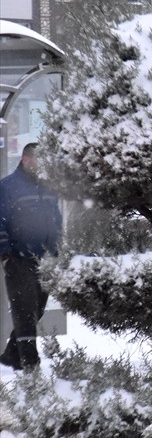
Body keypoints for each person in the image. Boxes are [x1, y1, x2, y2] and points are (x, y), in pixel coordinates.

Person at [0, 144, 62, 371]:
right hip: (17, 257)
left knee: (38, 308)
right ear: (25, 160)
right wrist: (6, 254)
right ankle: (30, 362)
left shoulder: (48, 187)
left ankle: (10, 355)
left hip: (44, 258)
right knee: (24, 309)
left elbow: (55, 217)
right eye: (37, 161)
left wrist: (57, 247)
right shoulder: (7, 187)